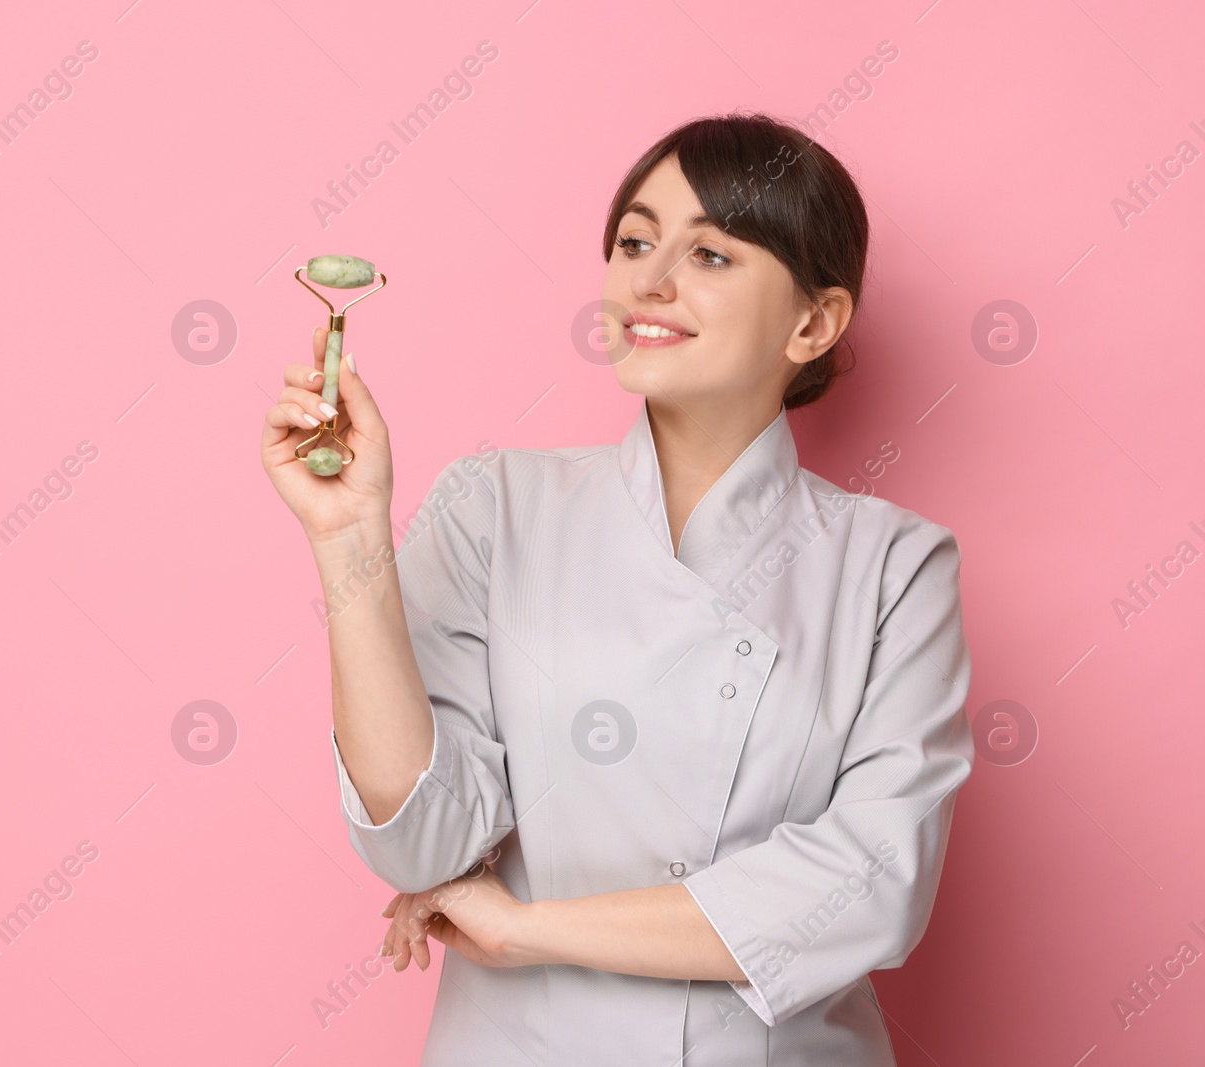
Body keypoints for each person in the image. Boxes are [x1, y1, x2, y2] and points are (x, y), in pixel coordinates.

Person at [260, 111, 974, 1066]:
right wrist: (349, 539)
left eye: (711, 254)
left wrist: (527, 929)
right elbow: (421, 843)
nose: (649, 279)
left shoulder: (894, 567)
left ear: (814, 322)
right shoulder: (497, 505)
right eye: (635, 242)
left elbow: (874, 883)